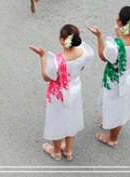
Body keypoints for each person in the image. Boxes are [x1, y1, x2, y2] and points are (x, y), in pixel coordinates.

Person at [29, 24, 94, 161]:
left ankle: (56, 152)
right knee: (71, 119)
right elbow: (81, 68)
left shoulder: (58, 60)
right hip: (75, 90)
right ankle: (69, 151)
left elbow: (47, 77)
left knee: (57, 121)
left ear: (61, 40)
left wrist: (42, 57)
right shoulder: (84, 51)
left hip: (59, 95)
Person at [87, 6, 130, 149]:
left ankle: (113, 138)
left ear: (121, 22)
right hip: (128, 73)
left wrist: (99, 36)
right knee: (118, 104)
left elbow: (104, 56)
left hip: (115, 79)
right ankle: (109, 122)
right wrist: (120, 34)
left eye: (118, 17)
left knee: (116, 108)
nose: (116, 17)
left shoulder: (115, 45)